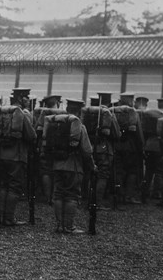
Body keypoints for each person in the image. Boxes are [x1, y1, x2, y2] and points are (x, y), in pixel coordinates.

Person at [45, 99, 96, 234]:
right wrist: (92, 165)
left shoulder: (56, 123)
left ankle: (59, 225)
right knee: (71, 195)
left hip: (57, 165)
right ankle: (69, 226)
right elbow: (86, 150)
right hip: (73, 165)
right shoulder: (79, 126)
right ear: (79, 111)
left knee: (58, 194)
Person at [0, 88, 37, 226]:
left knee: (3, 185)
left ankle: (1, 216)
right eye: (26, 97)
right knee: (14, 187)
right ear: (21, 98)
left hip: (2, 155)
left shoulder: (3, 112)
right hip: (17, 156)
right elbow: (31, 136)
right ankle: (9, 218)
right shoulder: (21, 114)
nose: (28, 100)